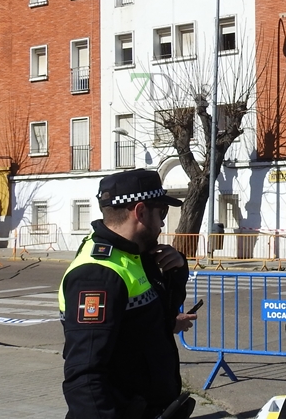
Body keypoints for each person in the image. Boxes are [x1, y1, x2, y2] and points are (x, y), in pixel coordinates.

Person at [59, 169, 197, 419]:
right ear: (141, 211)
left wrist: (177, 269)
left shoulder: (134, 254)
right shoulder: (98, 274)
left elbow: (143, 319)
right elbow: (85, 375)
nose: (163, 222)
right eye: (161, 212)